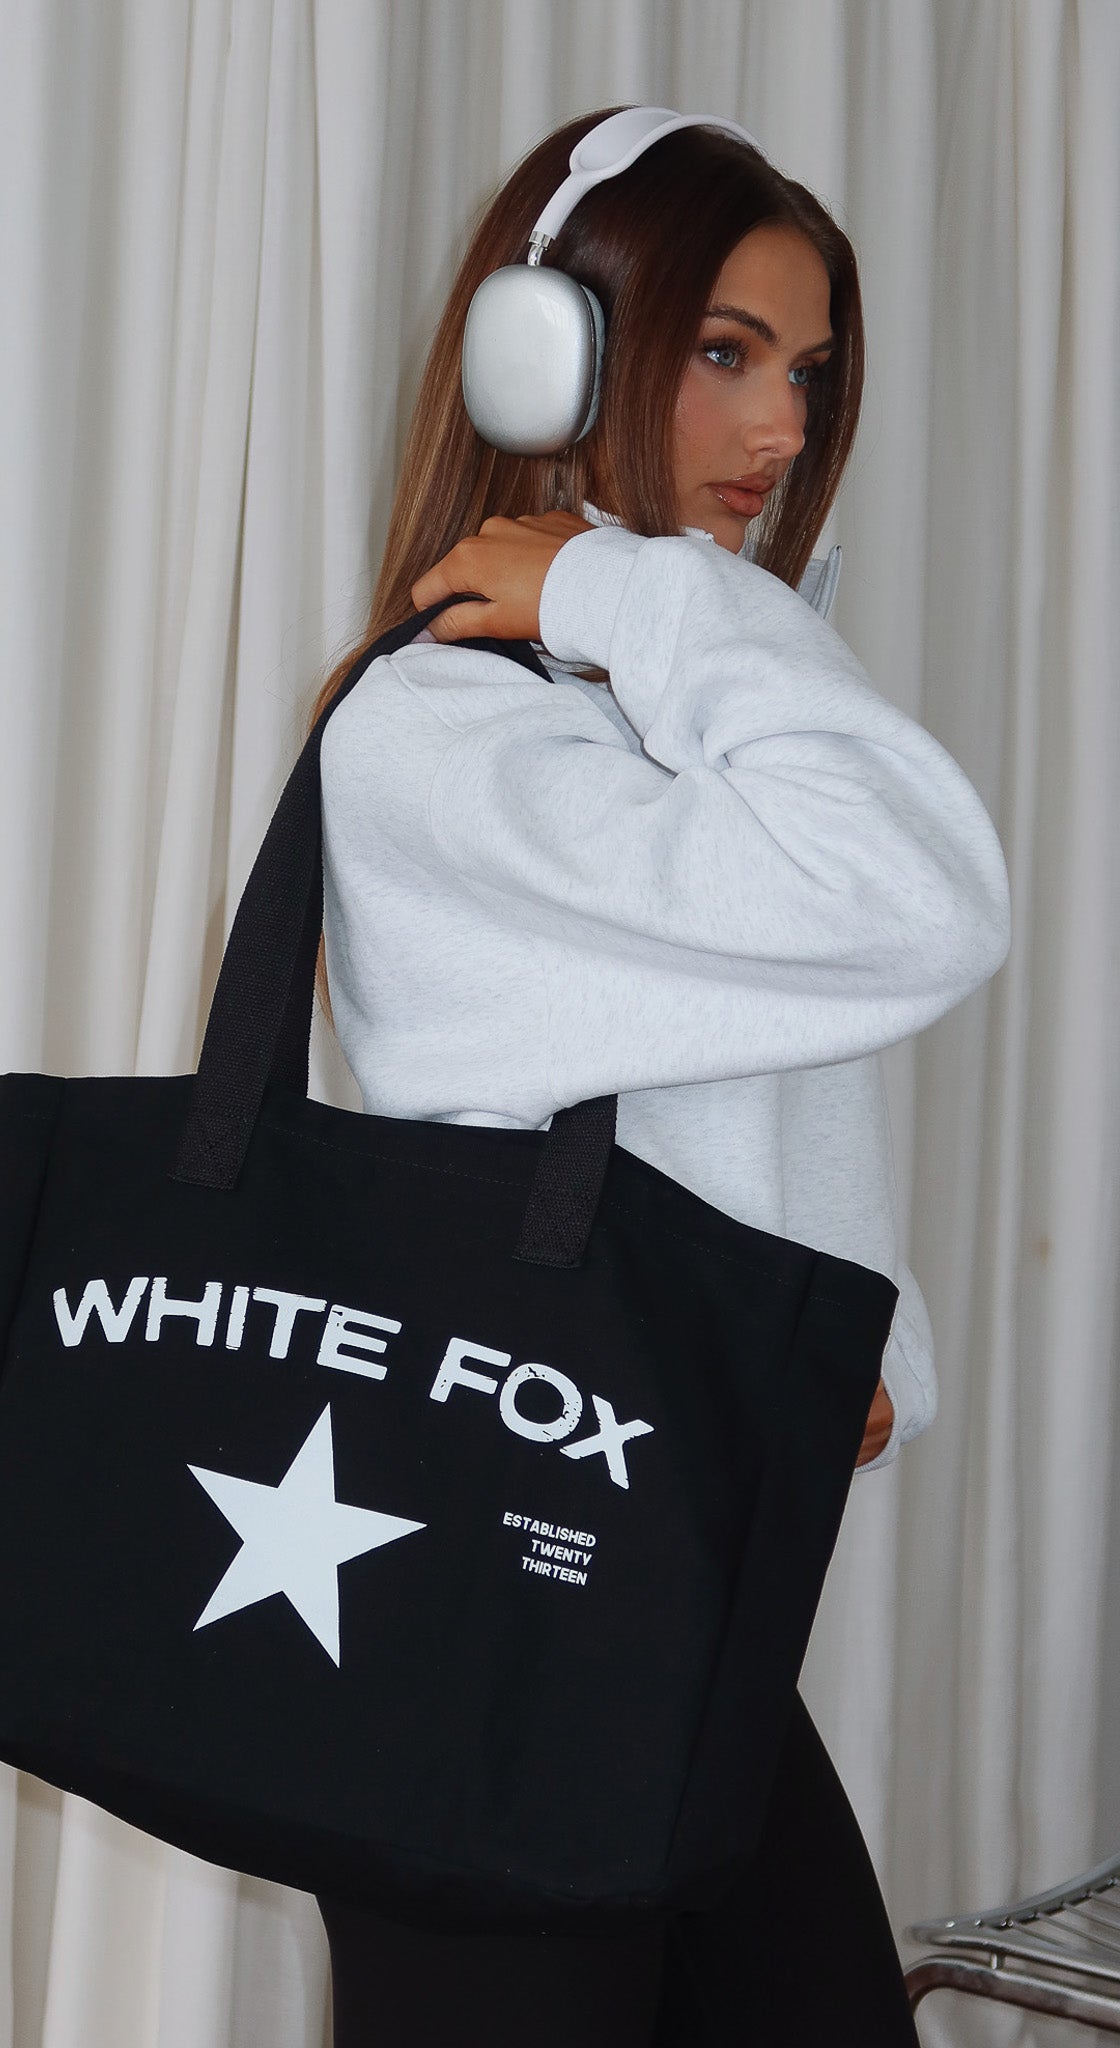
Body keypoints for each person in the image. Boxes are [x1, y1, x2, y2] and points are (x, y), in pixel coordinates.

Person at [308, 107, 1010, 2048]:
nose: (780, 427)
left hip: (651, 1577)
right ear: (544, 353)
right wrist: (639, 596)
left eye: (808, 371)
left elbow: (745, 1075)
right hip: (490, 1613)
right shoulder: (444, 733)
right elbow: (922, 898)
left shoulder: (662, 720)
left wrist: (858, 1339)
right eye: (722, 352)